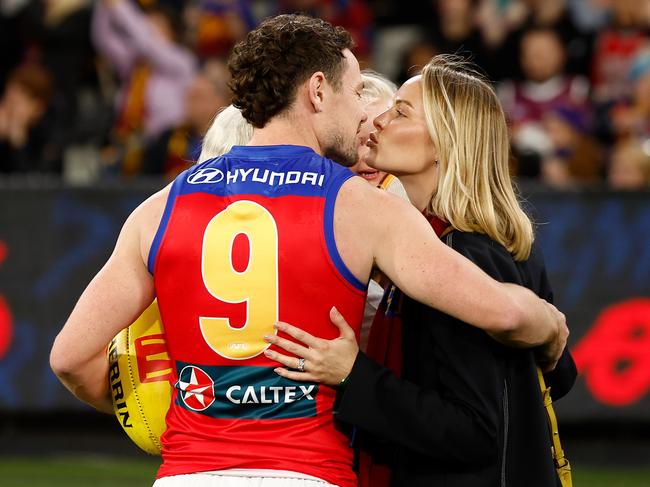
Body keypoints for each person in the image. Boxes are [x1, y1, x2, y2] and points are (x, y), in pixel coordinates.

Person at [50, 16, 567, 487]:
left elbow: (70, 357)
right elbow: (501, 311)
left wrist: (166, 416)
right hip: (306, 470)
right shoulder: (359, 206)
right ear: (318, 90)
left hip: (188, 472)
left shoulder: (159, 207)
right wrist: (549, 327)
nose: (367, 112)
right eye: (356, 90)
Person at [264, 54, 577, 487]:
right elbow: (553, 377)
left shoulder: (463, 252)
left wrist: (353, 374)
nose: (377, 121)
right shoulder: (492, 237)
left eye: (400, 112)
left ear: (445, 142)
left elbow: (474, 432)